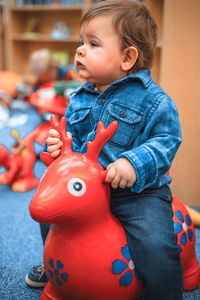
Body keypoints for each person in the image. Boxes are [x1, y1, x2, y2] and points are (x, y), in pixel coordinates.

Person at [26, 1, 183, 299]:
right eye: (81, 43)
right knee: (53, 218)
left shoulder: (155, 100)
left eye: (93, 44)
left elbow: (167, 141)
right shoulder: (78, 96)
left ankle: (164, 293)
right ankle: (58, 264)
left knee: (156, 244)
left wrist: (133, 164)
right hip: (85, 191)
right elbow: (70, 138)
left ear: (127, 57)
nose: (80, 50)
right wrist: (59, 146)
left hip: (137, 193)